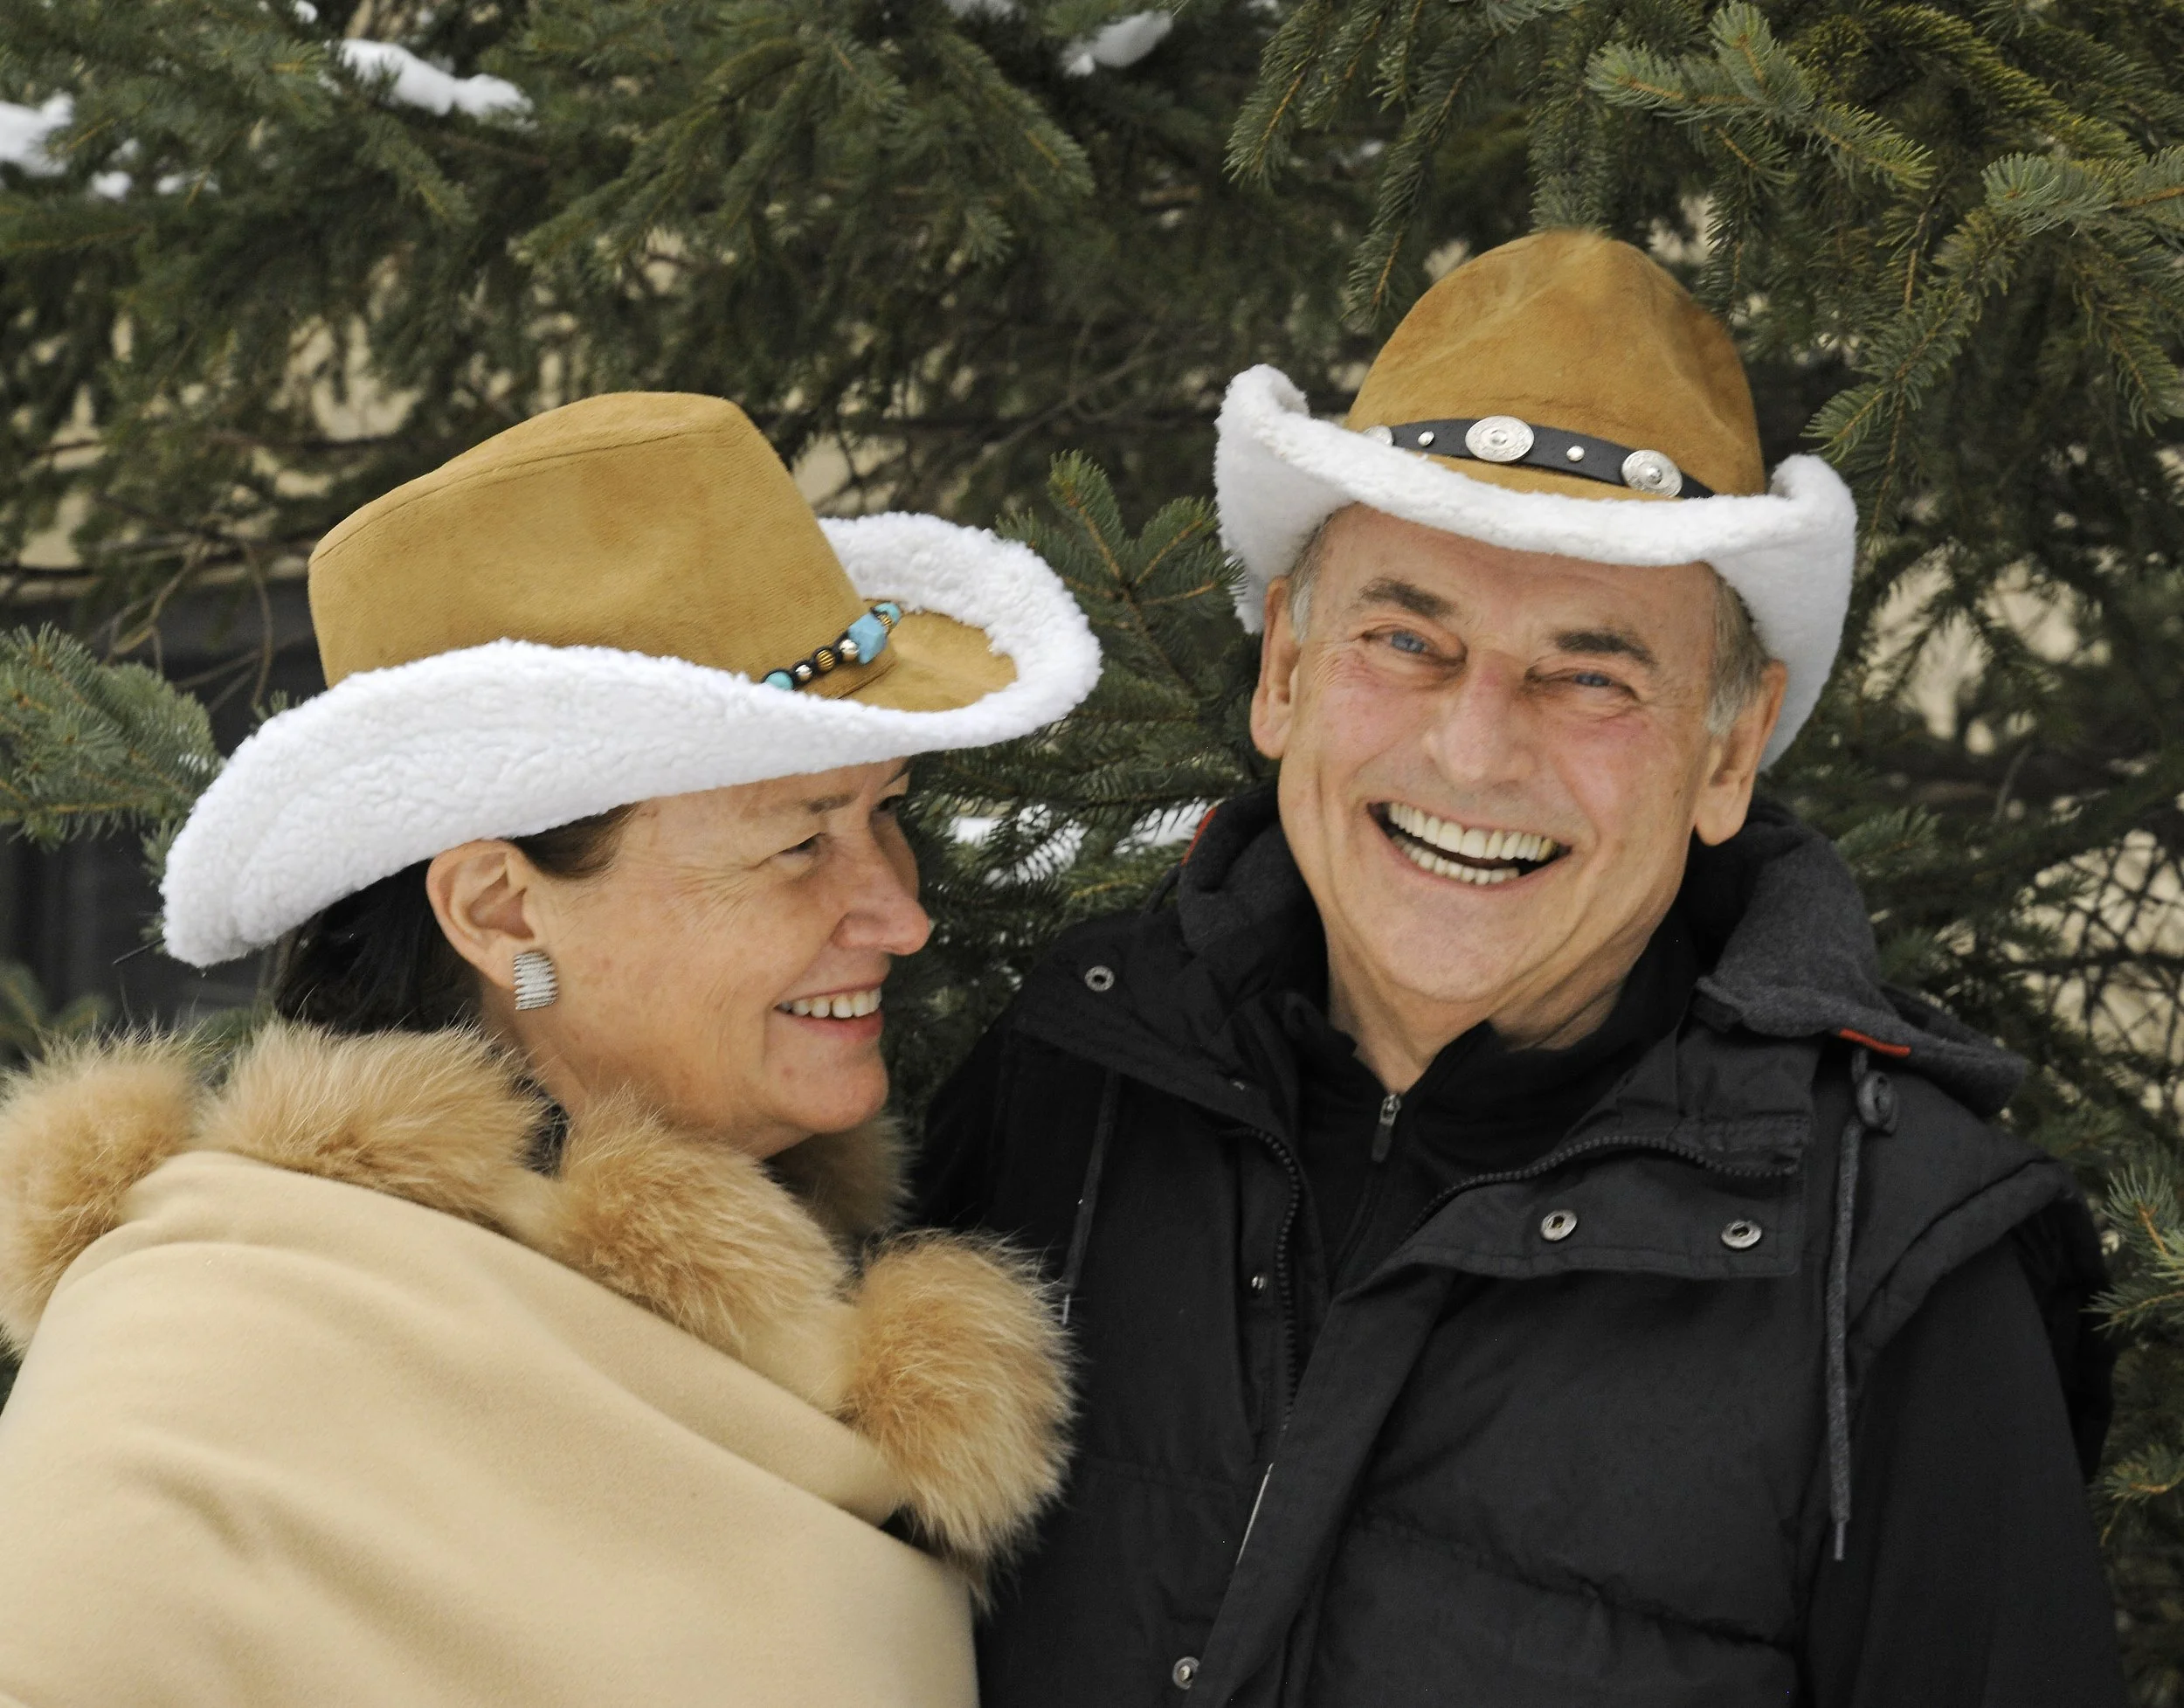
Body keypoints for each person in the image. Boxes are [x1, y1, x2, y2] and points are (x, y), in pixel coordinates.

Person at [917, 232, 2124, 1705]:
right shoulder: (1076, 1082)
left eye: (1591, 675)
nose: (1475, 749)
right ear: (1285, 669)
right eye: (1407, 639)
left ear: (1729, 747)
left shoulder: (1892, 1272)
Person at [0, 392, 1102, 1706]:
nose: (903, 912)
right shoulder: (205, 1372)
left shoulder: (803, 1312)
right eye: (800, 840)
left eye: (884, 816)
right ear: (499, 909)